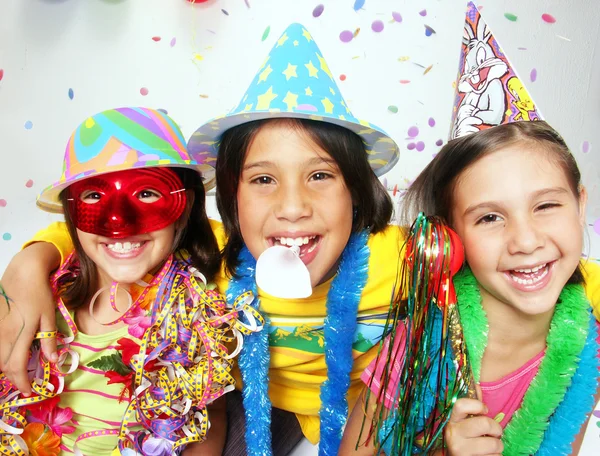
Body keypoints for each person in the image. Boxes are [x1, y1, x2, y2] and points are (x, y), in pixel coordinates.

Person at [2, 22, 600, 456]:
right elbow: (118, 227)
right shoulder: (211, 259)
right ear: (228, 200)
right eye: (263, 181)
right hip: (251, 410)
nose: (292, 206)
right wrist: (30, 264)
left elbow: (565, 269)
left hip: (352, 418)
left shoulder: (402, 256)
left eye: (321, 176)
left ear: (359, 196)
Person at [341, 3, 600, 455]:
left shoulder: (585, 354)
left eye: (546, 205)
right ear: (452, 233)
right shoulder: (423, 343)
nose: (525, 240)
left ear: (579, 204)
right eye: (490, 217)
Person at [0, 107, 258, 455]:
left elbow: (208, 417)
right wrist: (30, 262)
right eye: (94, 196)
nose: (119, 220)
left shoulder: (198, 307)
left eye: (148, 194)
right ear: (71, 214)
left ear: (185, 204)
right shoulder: (43, 292)